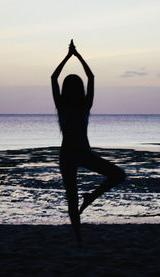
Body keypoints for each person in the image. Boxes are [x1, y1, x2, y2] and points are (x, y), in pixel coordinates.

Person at [51, 40, 126, 244]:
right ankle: (79, 239)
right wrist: (76, 56)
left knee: (118, 175)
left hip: (79, 154)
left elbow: (55, 77)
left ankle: (90, 199)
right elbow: (88, 77)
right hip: (72, 155)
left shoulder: (78, 105)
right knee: (72, 199)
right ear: (79, 88)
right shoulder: (74, 105)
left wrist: (70, 56)